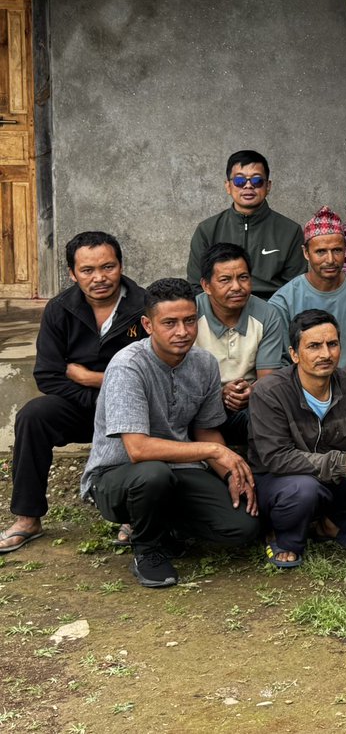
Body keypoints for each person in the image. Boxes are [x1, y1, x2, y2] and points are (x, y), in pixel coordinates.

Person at [79, 278, 260, 588]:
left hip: (178, 471)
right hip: (118, 477)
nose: (182, 331)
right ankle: (147, 549)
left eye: (190, 321)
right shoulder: (128, 366)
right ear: (148, 325)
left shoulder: (203, 363)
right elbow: (138, 449)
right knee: (152, 475)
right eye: (170, 323)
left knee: (244, 527)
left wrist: (230, 474)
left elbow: (206, 431)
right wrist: (218, 452)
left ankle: (166, 528)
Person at [1, 233, 147, 554]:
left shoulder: (144, 307)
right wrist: (98, 400)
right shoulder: (60, 309)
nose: (99, 278)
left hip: (135, 409)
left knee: (157, 422)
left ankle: (136, 516)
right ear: (72, 273)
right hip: (83, 407)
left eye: (108, 267)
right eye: (87, 270)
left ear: (121, 265)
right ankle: (28, 518)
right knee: (33, 416)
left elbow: (154, 373)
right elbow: (48, 375)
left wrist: (93, 378)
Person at [248, 309, 346, 567]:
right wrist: (344, 463)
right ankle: (284, 537)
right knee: (303, 488)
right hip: (281, 481)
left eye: (332, 344)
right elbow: (277, 458)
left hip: (332, 478)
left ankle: (335, 526)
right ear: (294, 354)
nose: (325, 354)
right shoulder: (270, 392)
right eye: (313, 346)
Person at [195, 242, 286, 446]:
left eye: (243, 278)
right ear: (206, 286)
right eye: (225, 280)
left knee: (270, 414)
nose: (237, 287)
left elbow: (267, 380)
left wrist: (250, 392)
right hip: (201, 402)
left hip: (250, 402)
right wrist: (219, 395)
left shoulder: (267, 314)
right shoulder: (191, 313)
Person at [187, 149, 305, 301]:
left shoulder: (290, 231)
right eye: (239, 181)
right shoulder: (207, 230)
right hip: (219, 312)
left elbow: (295, 288)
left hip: (273, 313)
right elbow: (196, 285)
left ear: (268, 186)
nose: (248, 186)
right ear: (228, 186)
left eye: (257, 181)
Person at [270, 207, 346, 369]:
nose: (330, 259)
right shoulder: (284, 301)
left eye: (337, 250)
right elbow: (281, 360)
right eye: (321, 252)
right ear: (306, 253)